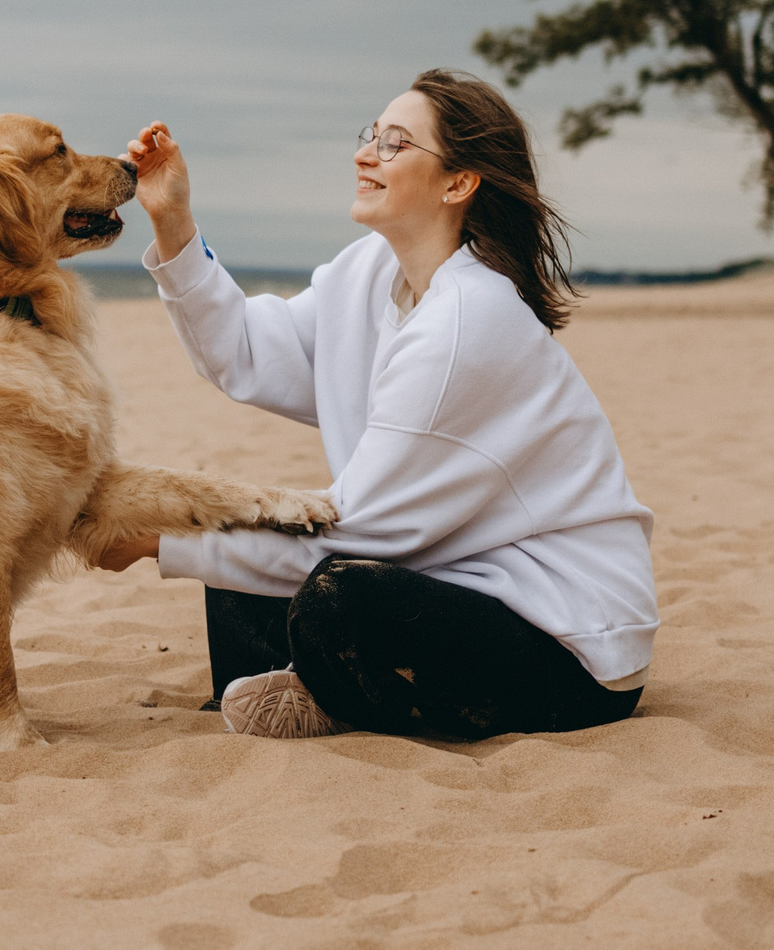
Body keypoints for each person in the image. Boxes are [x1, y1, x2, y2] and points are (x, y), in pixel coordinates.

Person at [97, 69, 656, 741]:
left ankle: (326, 698)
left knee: (334, 591)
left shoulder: (468, 323)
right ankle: (281, 694)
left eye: (395, 143)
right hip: (454, 575)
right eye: (371, 135)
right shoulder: (369, 272)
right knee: (248, 521)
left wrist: (158, 536)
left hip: (569, 644)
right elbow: (242, 351)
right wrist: (174, 223)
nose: (366, 154)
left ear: (458, 182)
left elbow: (359, 532)